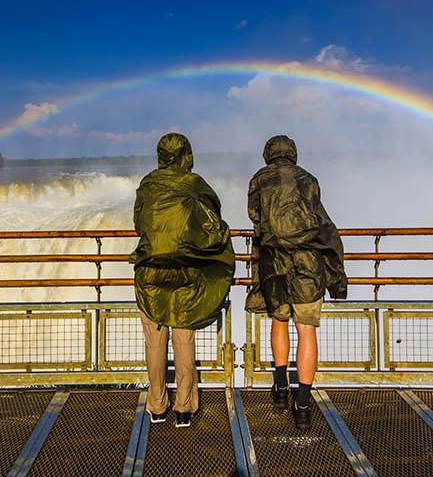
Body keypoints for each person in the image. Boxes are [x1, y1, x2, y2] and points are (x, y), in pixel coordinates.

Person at [130, 133, 235, 427]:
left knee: (155, 340)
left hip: (150, 270)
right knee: (183, 336)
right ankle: (184, 408)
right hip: (186, 270)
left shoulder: (147, 184)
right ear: (187, 155)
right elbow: (213, 218)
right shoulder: (194, 184)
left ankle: (157, 405)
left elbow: (139, 223)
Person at [246, 135, 347, 430]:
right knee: (306, 330)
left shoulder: (259, 179)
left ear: (268, 154)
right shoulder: (308, 180)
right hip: (307, 265)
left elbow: (255, 216)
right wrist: (337, 278)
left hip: (274, 263)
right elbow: (322, 223)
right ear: (293, 154)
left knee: (279, 322)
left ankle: (280, 387)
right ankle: (302, 403)